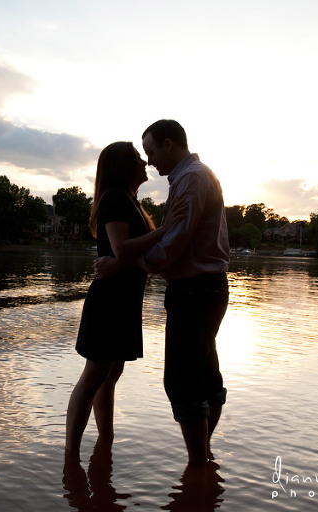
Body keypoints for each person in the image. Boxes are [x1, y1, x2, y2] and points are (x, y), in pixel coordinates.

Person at [96, 120, 230, 464]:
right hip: (204, 289)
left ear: (169, 144)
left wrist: (122, 263)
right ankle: (201, 466)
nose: (149, 160)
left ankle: (197, 463)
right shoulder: (194, 176)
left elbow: (172, 245)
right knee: (204, 375)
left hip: (195, 291)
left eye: (151, 151)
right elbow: (171, 237)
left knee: (183, 381)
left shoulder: (191, 179)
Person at [65, 141, 178, 462]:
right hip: (110, 301)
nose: (145, 162)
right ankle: (71, 458)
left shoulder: (129, 200)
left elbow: (131, 254)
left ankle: (105, 442)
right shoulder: (115, 197)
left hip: (124, 300)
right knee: (93, 377)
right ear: (123, 167)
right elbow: (122, 249)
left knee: (109, 377)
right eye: (137, 158)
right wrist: (165, 229)